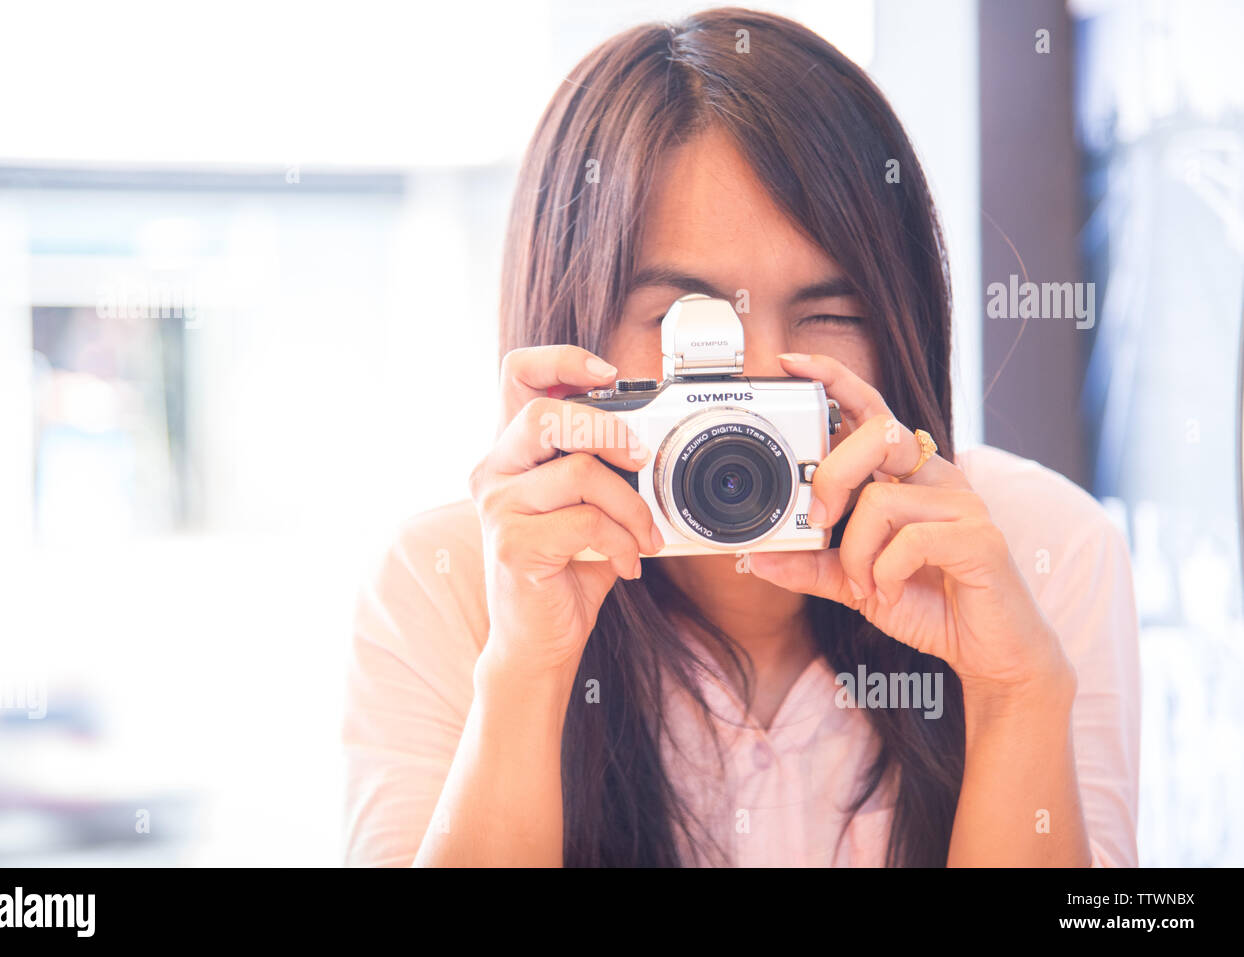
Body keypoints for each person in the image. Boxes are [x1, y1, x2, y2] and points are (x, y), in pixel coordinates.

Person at [342, 7, 1140, 867]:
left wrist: (1017, 691)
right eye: (691, 322)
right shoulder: (449, 583)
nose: (758, 377)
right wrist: (527, 670)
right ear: (573, 337)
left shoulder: (1034, 548)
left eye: (829, 313)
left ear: (900, 323)